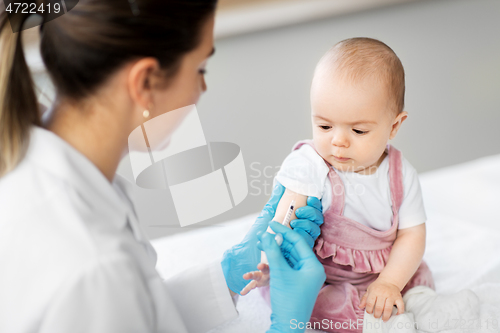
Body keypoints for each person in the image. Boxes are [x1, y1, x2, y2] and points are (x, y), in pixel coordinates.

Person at [0, 1, 326, 332]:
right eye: (200, 69)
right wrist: (289, 324)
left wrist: (228, 272)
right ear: (144, 83)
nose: (202, 89)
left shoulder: (42, 163)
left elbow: (136, 312)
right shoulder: (94, 266)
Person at [241, 38, 435, 332]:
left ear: (394, 126)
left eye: (358, 130)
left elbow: (411, 235)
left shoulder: (401, 173)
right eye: (324, 126)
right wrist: (271, 260)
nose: (338, 140)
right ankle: (378, 320)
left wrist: (390, 282)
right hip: (325, 277)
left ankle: (417, 307)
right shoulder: (311, 164)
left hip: (385, 273)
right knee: (325, 306)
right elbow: (285, 217)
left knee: (418, 283)